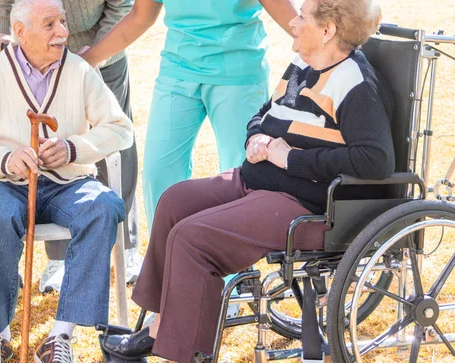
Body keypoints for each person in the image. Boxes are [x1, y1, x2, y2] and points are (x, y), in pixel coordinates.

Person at [101, 0, 394, 362]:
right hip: (259, 181)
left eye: (302, 16)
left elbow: (376, 159)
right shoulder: (305, 62)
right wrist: (256, 136)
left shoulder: (354, 83)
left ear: (327, 30)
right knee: (174, 201)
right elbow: (264, 113)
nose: (294, 23)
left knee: (192, 238)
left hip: (301, 203)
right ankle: (160, 324)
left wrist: (292, 158)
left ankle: (183, 351)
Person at [0, 0, 133, 361]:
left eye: (62, 21)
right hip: (4, 183)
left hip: (68, 183)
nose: (63, 32)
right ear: (20, 32)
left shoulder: (79, 70)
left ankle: (60, 336)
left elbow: (119, 129)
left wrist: (73, 148)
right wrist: (5, 158)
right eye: (49, 25)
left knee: (104, 206)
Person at [81, 0, 298, 230]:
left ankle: (236, 263)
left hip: (237, 69)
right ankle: (166, 257)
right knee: (159, 174)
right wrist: (86, 61)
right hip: (178, 69)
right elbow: (140, 16)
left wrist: (325, 47)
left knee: (241, 175)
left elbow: (285, 11)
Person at [0, 0, 143, 290]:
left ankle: (127, 246)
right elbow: (2, 4)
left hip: (101, 47)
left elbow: (123, 7)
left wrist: (92, 56)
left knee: (116, 147)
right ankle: (58, 258)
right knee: (45, 148)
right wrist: (2, 40)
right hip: (36, 52)